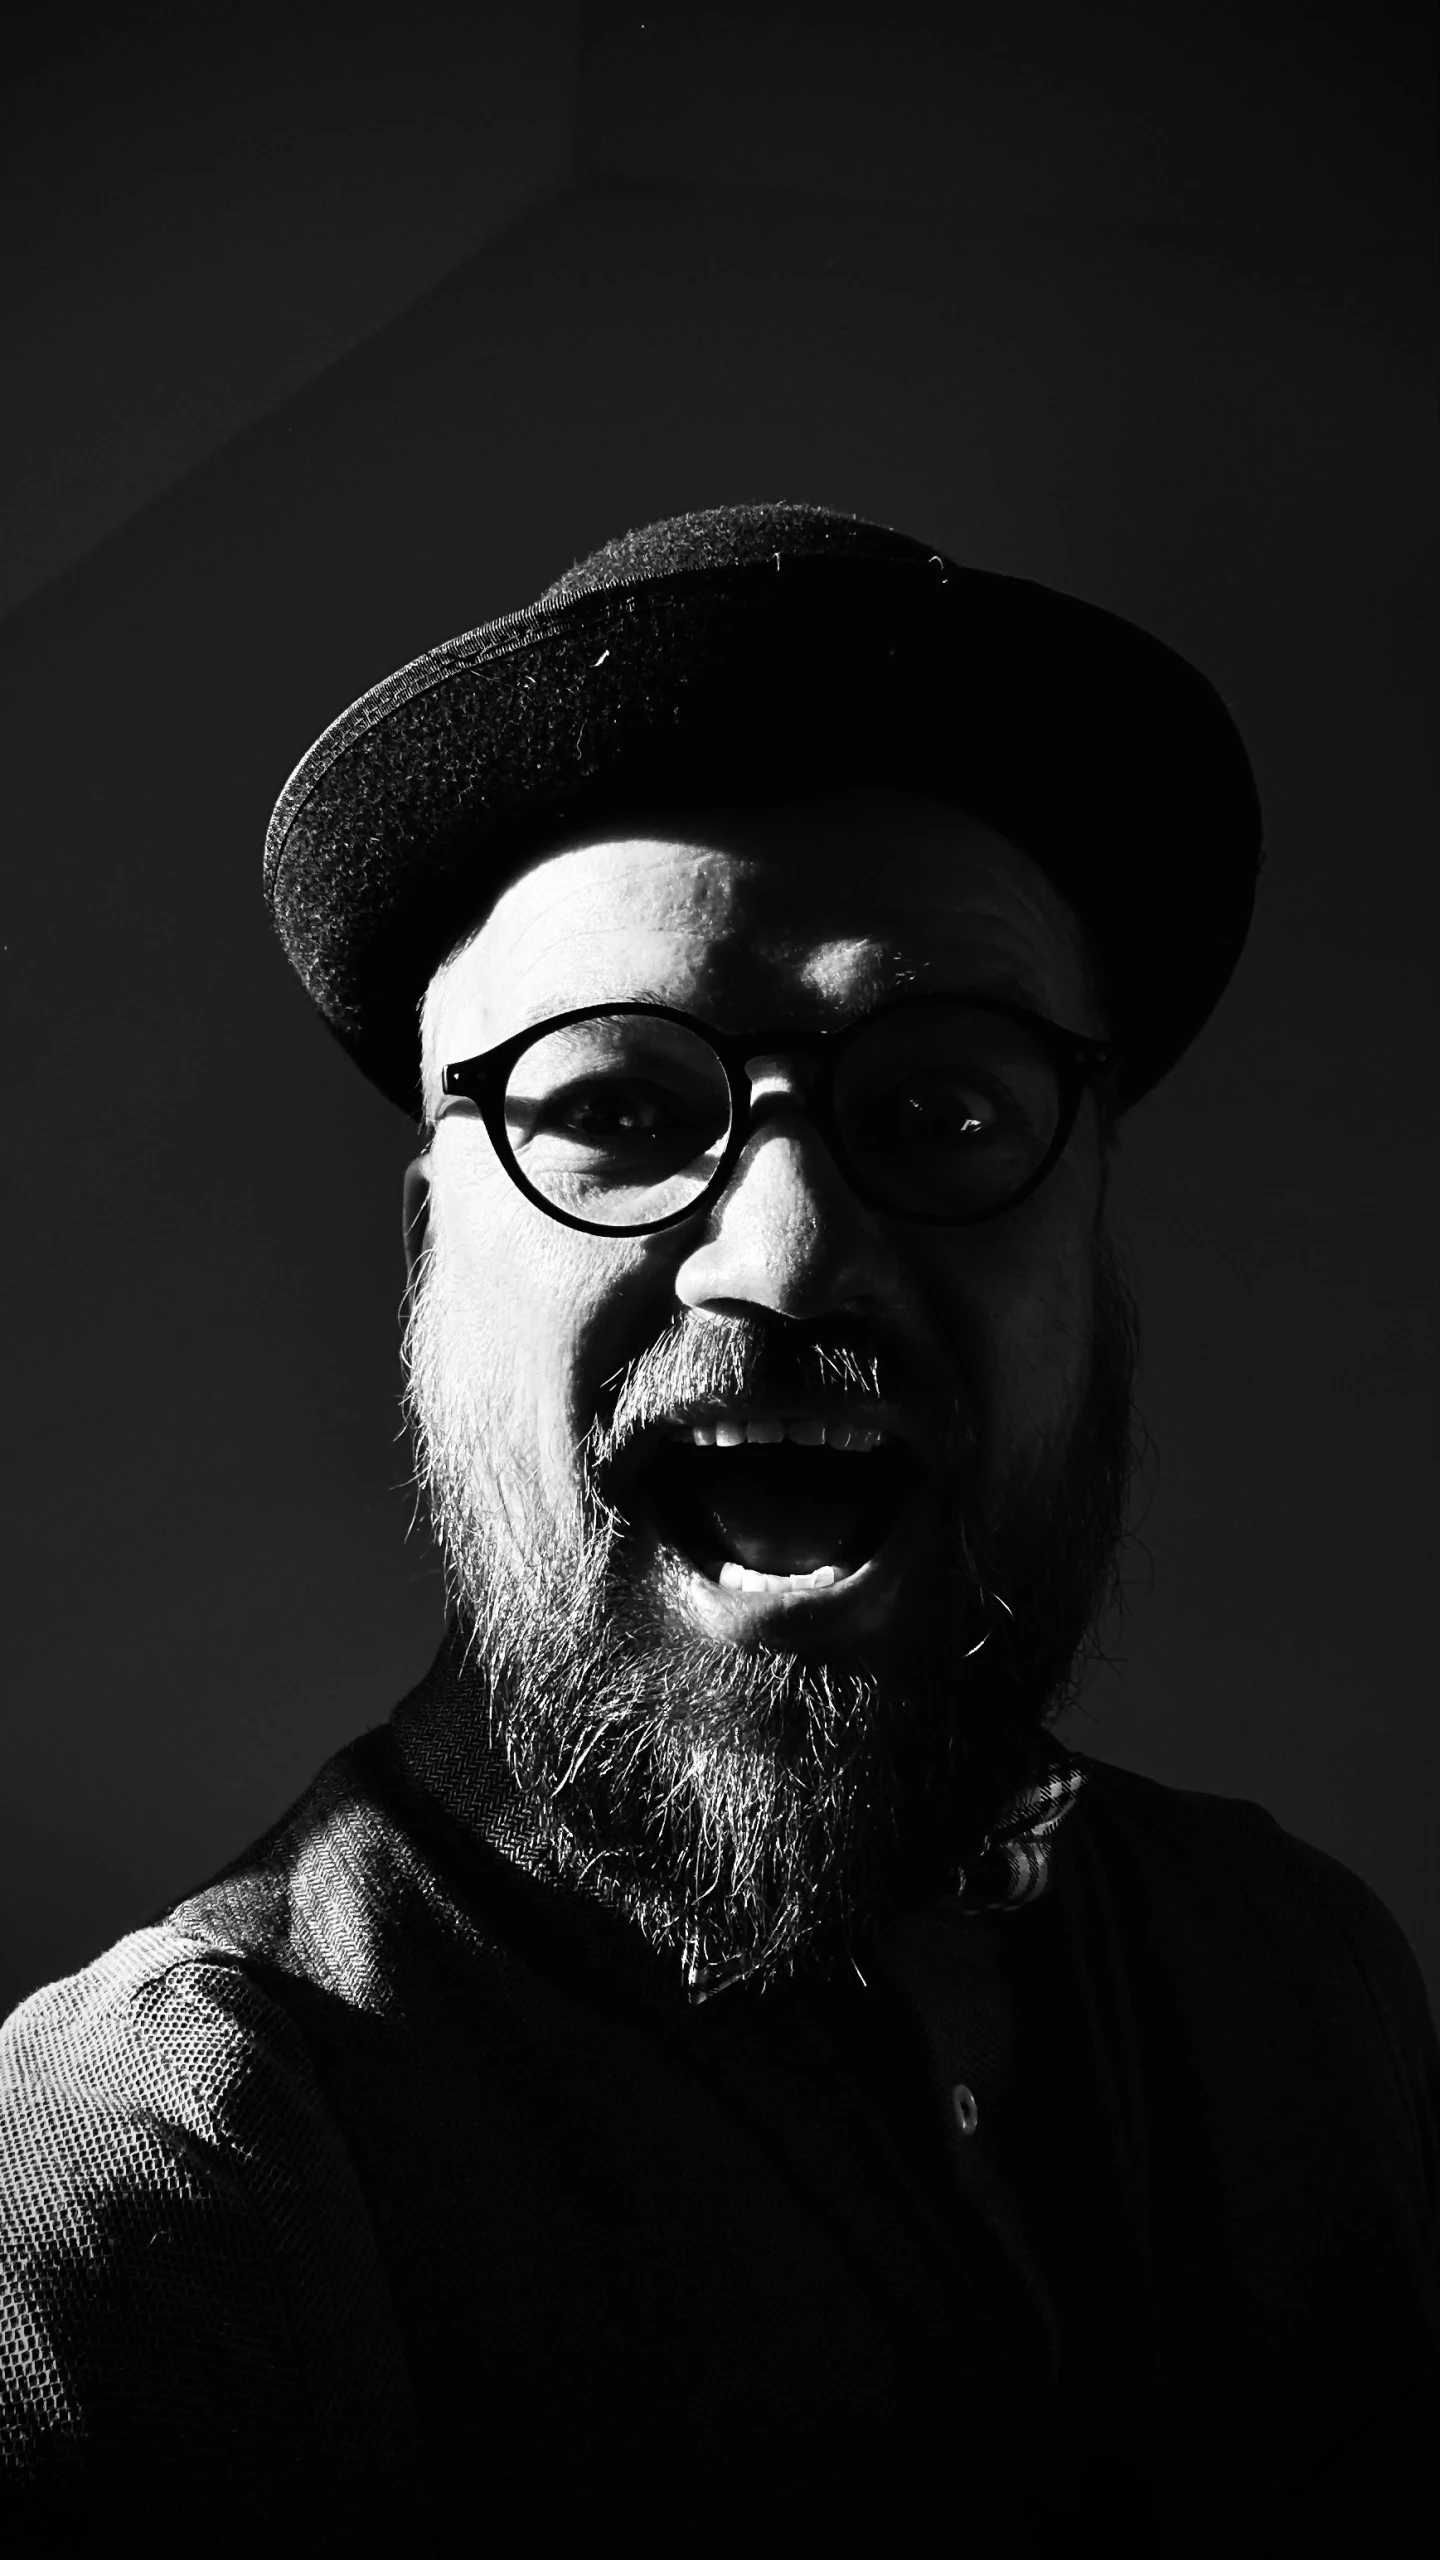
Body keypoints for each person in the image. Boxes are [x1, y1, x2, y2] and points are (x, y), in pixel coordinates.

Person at [2, 504, 1435, 2553]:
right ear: (431, 1257)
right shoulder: (163, 2189)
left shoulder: (1311, 1972)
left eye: (945, 1113)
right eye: (620, 1109)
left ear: (1093, 1230)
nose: (788, 1251)